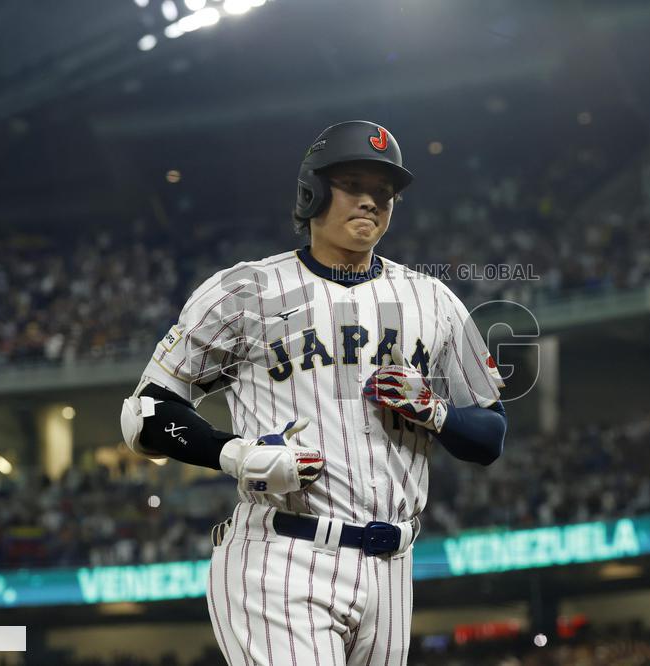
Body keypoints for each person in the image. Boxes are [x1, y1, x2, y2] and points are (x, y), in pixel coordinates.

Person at [120, 120, 507, 665]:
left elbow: (491, 435)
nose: (371, 201)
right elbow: (146, 413)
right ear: (312, 193)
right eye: (354, 185)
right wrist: (236, 454)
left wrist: (436, 411)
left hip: (392, 568)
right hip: (282, 555)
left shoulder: (433, 300)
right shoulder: (244, 291)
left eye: (384, 192)